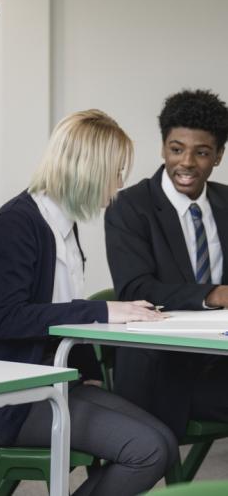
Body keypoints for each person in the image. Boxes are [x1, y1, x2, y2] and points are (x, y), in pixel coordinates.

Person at [0, 110, 178, 496]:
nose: (118, 186)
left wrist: (87, 369)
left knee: (165, 441)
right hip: (10, 399)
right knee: (147, 450)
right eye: (114, 173)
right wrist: (105, 310)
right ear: (88, 171)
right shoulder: (18, 225)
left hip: (54, 382)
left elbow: (63, 308)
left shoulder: (64, 225)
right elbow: (9, 319)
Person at [105, 89, 228, 439]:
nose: (186, 162)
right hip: (163, 368)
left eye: (202, 152)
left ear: (218, 156)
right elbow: (135, 289)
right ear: (163, 148)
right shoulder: (130, 207)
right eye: (176, 149)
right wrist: (215, 294)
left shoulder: (226, 203)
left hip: (220, 362)